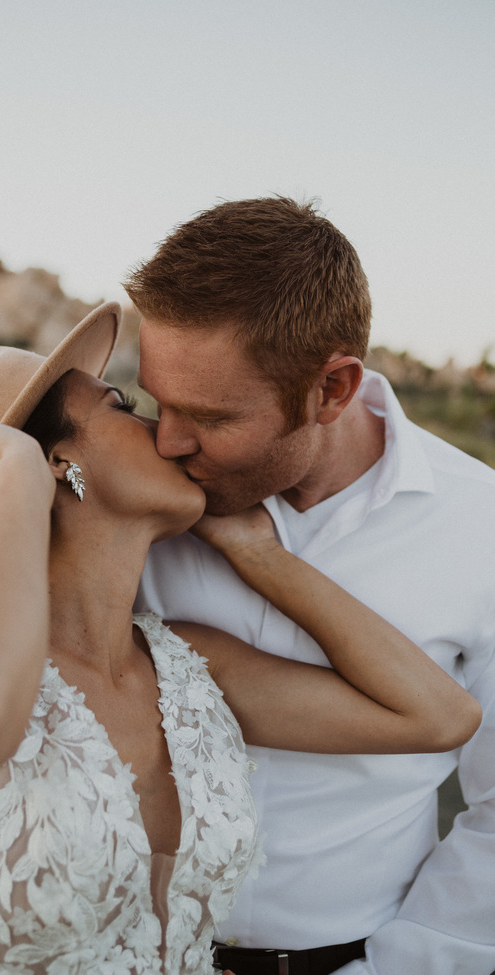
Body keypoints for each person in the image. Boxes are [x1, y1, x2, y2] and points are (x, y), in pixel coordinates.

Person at [0, 305, 479, 975]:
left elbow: (439, 714)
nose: (167, 433)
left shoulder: (185, 661)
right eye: (123, 406)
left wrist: (262, 557)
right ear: (59, 462)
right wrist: (19, 485)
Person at [124, 196, 495, 975]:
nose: (167, 439)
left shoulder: (481, 527)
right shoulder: (135, 500)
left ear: (332, 388)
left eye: (209, 416)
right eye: (158, 400)